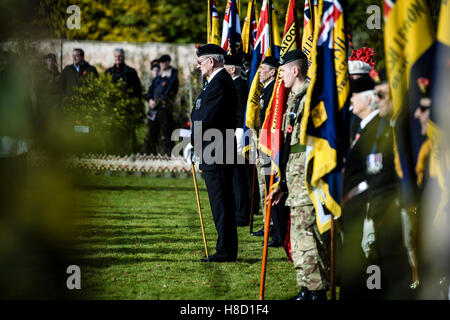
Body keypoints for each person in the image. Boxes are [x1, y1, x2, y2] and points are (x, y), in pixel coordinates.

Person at [270, 50, 329, 300]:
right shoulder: (294, 99)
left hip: (306, 175)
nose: (280, 75)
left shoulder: (311, 99)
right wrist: (282, 181)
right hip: (293, 177)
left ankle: (316, 290)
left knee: (307, 232)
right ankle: (306, 286)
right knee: (297, 232)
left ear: (295, 70)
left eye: (282, 70)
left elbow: (315, 143)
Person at [191, 44, 238, 262]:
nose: (198, 66)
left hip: (218, 149)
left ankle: (225, 251)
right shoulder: (213, 82)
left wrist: (193, 139)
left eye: (201, 62)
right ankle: (224, 248)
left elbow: (205, 117)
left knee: (221, 203)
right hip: (212, 148)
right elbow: (197, 113)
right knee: (219, 202)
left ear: (211, 61)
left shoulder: (220, 83)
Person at [251, 57, 278, 240]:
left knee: (269, 185)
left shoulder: (274, 90)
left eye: (263, 69)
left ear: (273, 72)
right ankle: (267, 224)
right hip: (262, 142)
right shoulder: (264, 90)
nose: (259, 72)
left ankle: (275, 227)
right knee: (263, 186)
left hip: (270, 145)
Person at [224, 55, 252, 227]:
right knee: (234, 175)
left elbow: (238, 112)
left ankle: (242, 214)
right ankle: (237, 211)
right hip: (232, 131)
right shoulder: (235, 84)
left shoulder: (240, 86)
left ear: (232, 69)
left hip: (238, 132)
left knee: (238, 175)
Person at [105, 48, 143, 154]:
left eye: (120, 56)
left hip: (127, 109)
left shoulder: (131, 72)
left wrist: (134, 106)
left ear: (123, 57)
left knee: (127, 134)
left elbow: (137, 91)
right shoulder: (108, 72)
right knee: (112, 133)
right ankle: (111, 155)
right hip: (112, 109)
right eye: (116, 56)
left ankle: (128, 156)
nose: (118, 58)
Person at [143, 54, 179, 155]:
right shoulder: (158, 78)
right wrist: (150, 100)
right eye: (160, 62)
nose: (162, 64)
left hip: (164, 109)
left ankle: (169, 155)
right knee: (151, 133)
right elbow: (150, 90)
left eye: (163, 62)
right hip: (153, 110)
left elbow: (169, 93)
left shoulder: (172, 77)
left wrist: (157, 102)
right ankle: (150, 154)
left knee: (167, 133)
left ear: (168, 62)